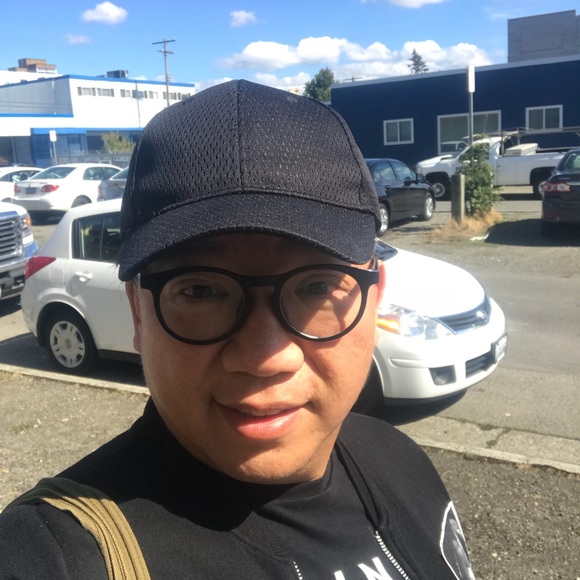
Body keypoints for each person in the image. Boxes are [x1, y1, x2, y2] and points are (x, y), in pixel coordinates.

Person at [0, 80, 474, 579]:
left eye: (316, 286)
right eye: (201, 291)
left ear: (374, 297)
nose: (265, 357)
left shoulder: (399, 461)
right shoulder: (57, 554)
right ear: (139, 313)